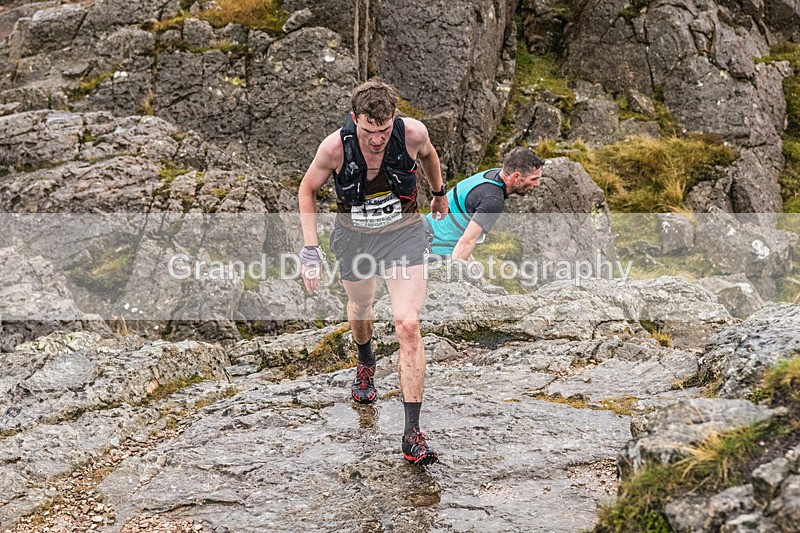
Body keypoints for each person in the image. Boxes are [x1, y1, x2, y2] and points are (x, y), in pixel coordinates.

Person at [297, 80, 448, 466]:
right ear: (355, 120)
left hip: (403, 235)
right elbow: (307, 190)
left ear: (394, 119)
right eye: (369, 131)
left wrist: (438, 191)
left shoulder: (413, 133)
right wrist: (310, 247)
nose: (378, 140)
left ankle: (411, 433)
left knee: (408, 325)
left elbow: (429, 155)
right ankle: (366, 364)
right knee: (361, 305)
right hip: (355, 240)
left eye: (383, 131)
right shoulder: (334, 148)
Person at [425, 147, 544, 261]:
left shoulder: (491, 176)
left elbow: (463, 235)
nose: (538, 184)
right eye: (534, 179)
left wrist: (480, 278)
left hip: (424, 234)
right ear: (516, 176)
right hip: (435, 251)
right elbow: (466, 242)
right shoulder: (493, 200)